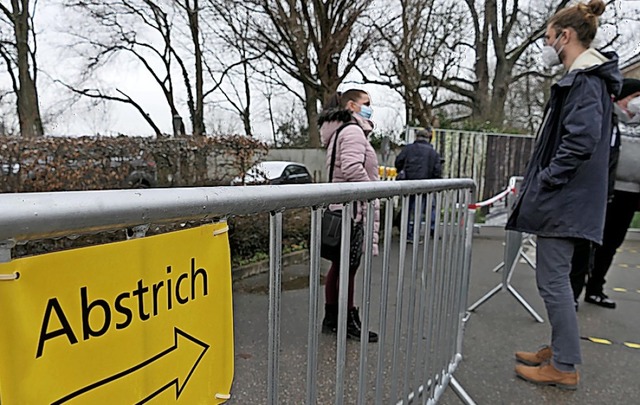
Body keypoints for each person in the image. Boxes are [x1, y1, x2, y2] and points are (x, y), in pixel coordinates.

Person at [505, 0, 622, 390]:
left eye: (549, 37)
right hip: (572, 200)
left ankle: (565, 364)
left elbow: (581, 140)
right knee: (557, 280)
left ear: (566, 36)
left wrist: (548, 180)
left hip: (565, 201)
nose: (547, 44)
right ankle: (558, 351)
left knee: (552, 281)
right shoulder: (588, 79)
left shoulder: (585, 80)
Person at [570, 78, 640, 309]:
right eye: (635, 97)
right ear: (622, 99)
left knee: (611, 243)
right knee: (586, 241)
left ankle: (596, 288)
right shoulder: (608, 119)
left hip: (630, 193)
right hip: (602, 190)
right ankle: (572, 292)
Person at [318, 89, 380, 342]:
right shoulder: (353, 131)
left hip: (341, 207)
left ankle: (332, 319)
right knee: (349, 267)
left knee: (340, 265)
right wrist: (371, 191)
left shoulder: (340, 132)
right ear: (352, 106)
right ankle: (347, 320)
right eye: (366, 103)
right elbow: (353, 167)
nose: (370, 107)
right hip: (351, 210)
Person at [394, 128, 442, 241]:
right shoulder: (433, 152)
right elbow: (437, 170)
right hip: (425, 185)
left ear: (417, 137)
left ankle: (406, 233)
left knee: (407, 209)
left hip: (408, 184)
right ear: (428, 138)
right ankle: (414, 235)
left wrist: (402, 171)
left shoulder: (408, 149)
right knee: (418, 210)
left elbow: (398, 161)